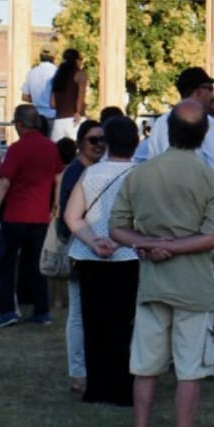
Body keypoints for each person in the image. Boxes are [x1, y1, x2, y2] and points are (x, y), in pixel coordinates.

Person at [110, 99, 214, 427]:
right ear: (204, 134)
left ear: (166, 130)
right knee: (190, 367)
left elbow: (117, 227)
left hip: (152, 283)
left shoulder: (140, 174)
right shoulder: (209, 177)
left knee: (145, 365)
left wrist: (149, 244)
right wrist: (172, 246)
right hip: (193, 285)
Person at [136, 67, 214, 382]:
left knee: (170, 285)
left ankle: (172, 353)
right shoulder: (204, 125)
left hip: (166, 212)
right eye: (208, 88)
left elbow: (151, 163)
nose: (213, 96)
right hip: (202, 213)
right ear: (197, 91)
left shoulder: (161, 126)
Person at [64, 115, 140, 407]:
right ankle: (122, 387)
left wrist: (94, 240)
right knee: (124, 324)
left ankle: (96, 387)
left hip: (91, 256)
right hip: (128, 255)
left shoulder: (91, 173)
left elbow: (73, 216)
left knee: (94, 324)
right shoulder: (140, 175)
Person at [0, 104, 64, 328]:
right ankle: (41, 310)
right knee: (36, 264)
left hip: (16, 214)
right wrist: (55, 205)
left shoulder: (17, 149)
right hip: (40, 215)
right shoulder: (50, 147)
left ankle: (7, 310)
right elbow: (59, 177)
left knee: (8, 263)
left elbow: (3, 182)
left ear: (19, 124)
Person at [58, 119, 108, 391]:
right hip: (80, 247)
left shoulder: (101, 171)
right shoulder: (75, 172)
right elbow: (70, 215)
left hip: (99, 248)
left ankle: (91, 367)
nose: (99, 144)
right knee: (78, 312)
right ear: (80, 143)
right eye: (93, 140)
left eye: (103, 140)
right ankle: (78, 372)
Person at [50, 49, 88, 144]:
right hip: (75, 118)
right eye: (81, 59)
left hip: (59, 121)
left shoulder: (57, 76)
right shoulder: (80, 73)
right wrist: (78, 112)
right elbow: (81, 93)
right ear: (76, 60)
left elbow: (52, 104)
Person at [22, 49, 59, 122]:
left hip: (37, 117)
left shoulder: (31, 72)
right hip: (53, 115)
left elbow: (25, 97)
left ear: (40, 57)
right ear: (53, 57)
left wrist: (38, 100)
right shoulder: (57, 71)